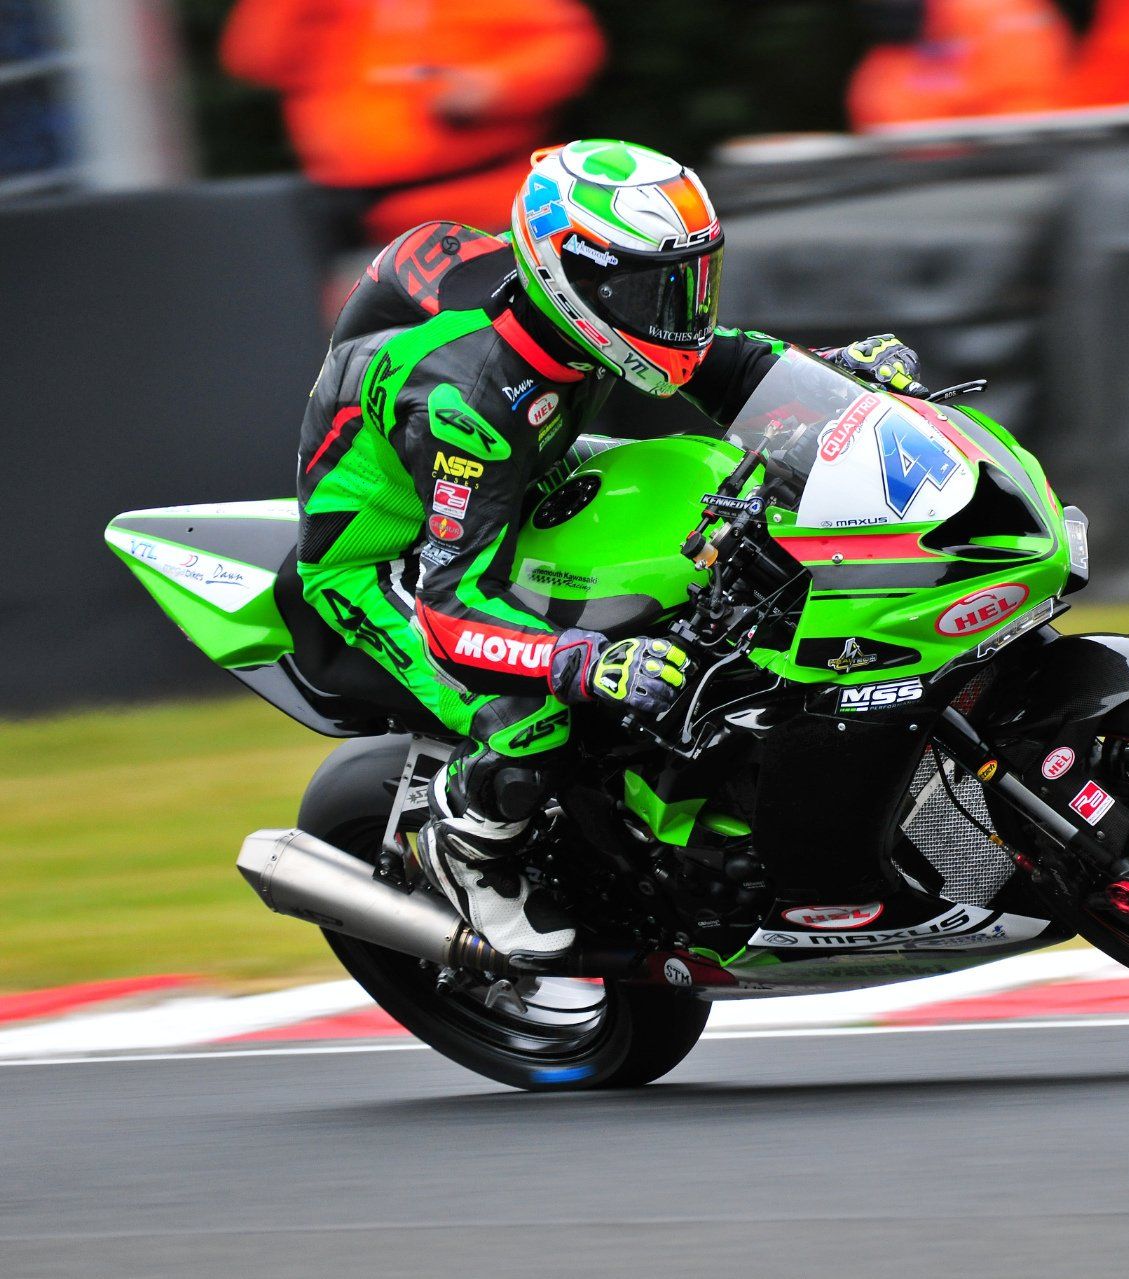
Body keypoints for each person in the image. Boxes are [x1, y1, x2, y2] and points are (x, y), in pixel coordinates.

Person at [296, 139, 926, 960]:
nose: (679, 312)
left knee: (716, 510)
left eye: (689, 282)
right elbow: (450, 608)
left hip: (517, 473)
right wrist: (584, 663)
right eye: (654, 290)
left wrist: (835, 380)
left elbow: (725, 366)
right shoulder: (473, 403)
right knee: (536, 714)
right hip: (392, 554)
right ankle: (467, 846)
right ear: (570, 281)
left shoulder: (589, 315)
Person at [220, 0, 606, 242]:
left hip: (469, 213)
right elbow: (254, 58)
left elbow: (567, 45)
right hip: (343, 214)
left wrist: (495, 86)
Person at [847, 0, 1075, 129]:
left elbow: (1025, 106)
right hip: (914, 173)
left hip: (997, 169)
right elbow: (880, 110)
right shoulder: (894, 43)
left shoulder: (999, 11)